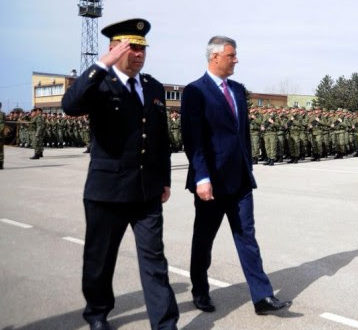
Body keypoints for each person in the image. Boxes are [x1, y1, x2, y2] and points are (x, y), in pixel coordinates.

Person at [61, 18, 179, 330]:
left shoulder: (152, 86)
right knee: (100, 261)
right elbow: (69, 106)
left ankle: (165, 324)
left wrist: (165, 179)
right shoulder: (99, 82)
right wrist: (101, 65)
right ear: (114, 48)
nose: (139, 54)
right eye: (132, 47)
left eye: (143, 48)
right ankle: (97, 314)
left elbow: (160, 138)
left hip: (145, 192)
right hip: (107, 192)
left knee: (154, 261)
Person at [180, 36, 292, 315]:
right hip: (211, 182)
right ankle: (200, 289)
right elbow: (193, 139)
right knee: (204, 239)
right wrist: (201, 177)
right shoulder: (196, 91)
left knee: (247, 237)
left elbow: (241, 133)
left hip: (240, 179)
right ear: (214, 57)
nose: (236, 60)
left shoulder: (239, 90)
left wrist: (248, 168)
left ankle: (262, 297)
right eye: (231, 55)